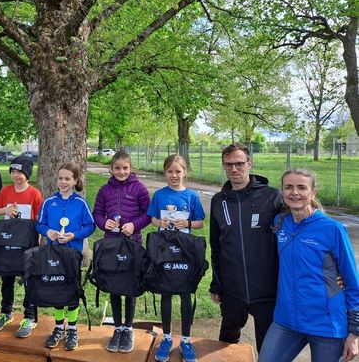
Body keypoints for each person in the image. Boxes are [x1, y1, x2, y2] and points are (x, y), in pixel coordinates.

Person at [258, 169, 359, 362]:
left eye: (301, 187)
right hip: (286, 320)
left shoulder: (332, 229)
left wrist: (355, 333)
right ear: (282, 192)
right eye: (289, 187)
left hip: (326, 324)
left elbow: (352, 281)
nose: (294, 192)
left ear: (313, 193)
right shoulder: (279, 223)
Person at [209, 143, 282, 352]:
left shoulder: (272, 197)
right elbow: (216, 245)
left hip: (266, 290)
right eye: (229, 164)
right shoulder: (218, 201)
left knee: (268, 346)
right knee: (227, 341)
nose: (234, 169)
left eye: (239, 164)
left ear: (249, 163)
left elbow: (296, 233)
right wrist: (217, 282)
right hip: (233, 289)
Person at [147, 154, 205, 362]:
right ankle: (167, 337)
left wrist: (187, 224)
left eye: (178, 171)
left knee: (185, 294)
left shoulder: (191, 196)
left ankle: (186, 340)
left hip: (185, 249)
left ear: (185, 172)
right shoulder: (160, 195)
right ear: (165, 173)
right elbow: (152, 218)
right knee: (166, 292)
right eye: (170, 171)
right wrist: (158, 223)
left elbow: (200, 222)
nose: (174, 175)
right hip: (164, 249)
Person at [93, 150, 151, 353]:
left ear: (130, 168)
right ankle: (117, 328)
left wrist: (134, 225)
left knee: (131, 287)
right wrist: (104, 223)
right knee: (115, 286)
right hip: (111, 245)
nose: (121, 171)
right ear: (111, 168)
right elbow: (97, 214)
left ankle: (129, 329)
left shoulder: (140, 189)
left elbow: (148, 214)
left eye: (125, 168)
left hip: (132, 244)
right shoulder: (104, 190)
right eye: (117, 168)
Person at [36, 163, 95, 351]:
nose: (63, 182)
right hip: (53, 254)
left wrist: (74, 235)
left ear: (75, 181)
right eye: (60, 178)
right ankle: (59, 326)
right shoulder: (49, 202)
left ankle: (72, 328)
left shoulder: (80, 203)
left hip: (73, 255)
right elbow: (39, 224)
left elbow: (90, 225)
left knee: (72, 290)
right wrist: (49, 232)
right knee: (56, 290)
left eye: (67, 178)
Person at [0, 156, 44, 338]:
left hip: (27, 245)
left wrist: (38, 243)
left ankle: (30, 316)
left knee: (29, 281)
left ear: (27, 174)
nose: (16, 175)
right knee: (7, 279)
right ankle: (6, 312)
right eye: (13, 171)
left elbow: (39, 221)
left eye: (20, 172)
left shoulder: (34, 193)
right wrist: (5, 210)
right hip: (7, 243)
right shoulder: (5, 191)